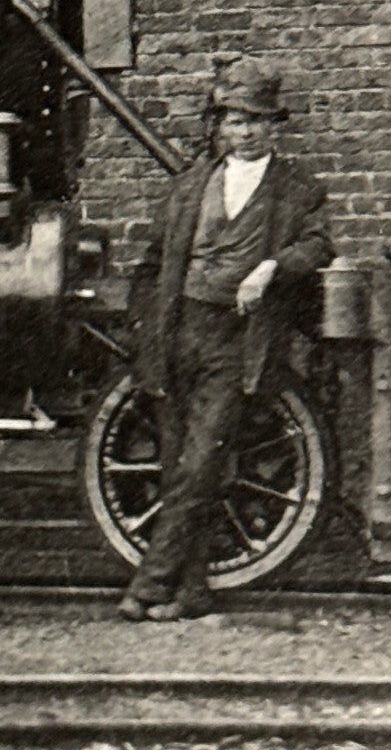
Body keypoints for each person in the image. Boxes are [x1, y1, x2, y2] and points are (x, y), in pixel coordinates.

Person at [118, 57, 333, 622]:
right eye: (235, 121)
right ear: (219, 126)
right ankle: (191, 593)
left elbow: (318, 248)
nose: (245, 132)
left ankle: (148, 586)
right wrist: (145, 332)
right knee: (177, 466)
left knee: (201, 462)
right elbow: (155, 262)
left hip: (237, 339)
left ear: (275, 127)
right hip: (178, 331)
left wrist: (271, 269)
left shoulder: (297, 188)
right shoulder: (191, 185)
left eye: (257, 121)